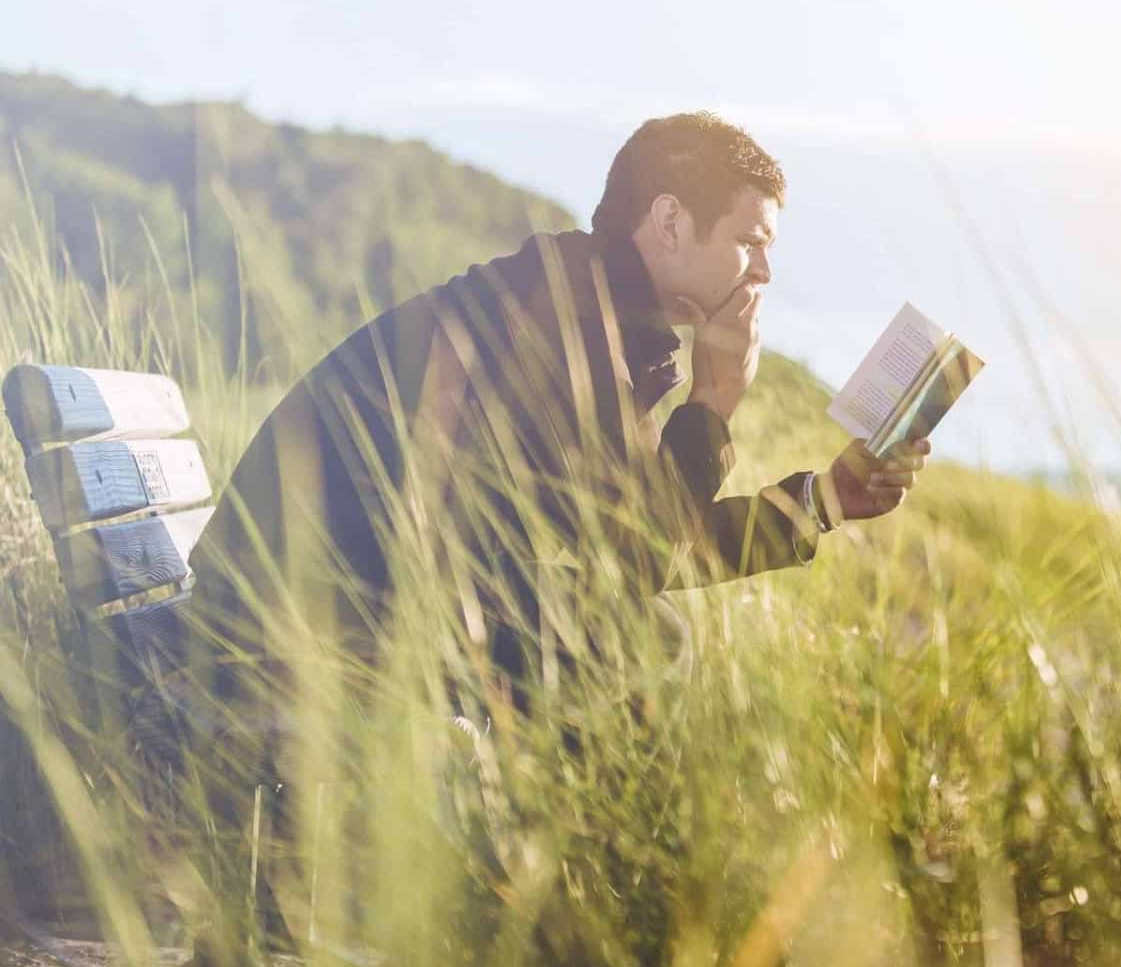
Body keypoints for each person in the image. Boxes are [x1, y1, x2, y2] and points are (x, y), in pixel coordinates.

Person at [152, 111, 927, 766]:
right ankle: (545, 911)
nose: (763, 271)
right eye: (750, 241)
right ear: (669, 221)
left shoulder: (597, 314)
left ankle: (542, 899)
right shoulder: (559, 318)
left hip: (342, 601)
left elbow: (634, 545)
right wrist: (715, 402)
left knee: (626, 630)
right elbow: (641, 554)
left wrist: (825, 498)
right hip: (279, 631)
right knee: (636, 640)